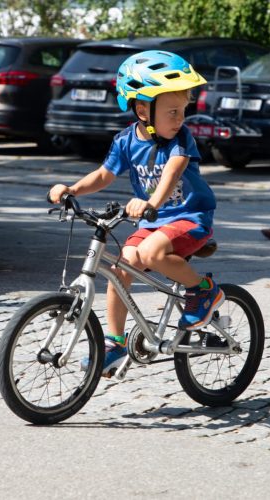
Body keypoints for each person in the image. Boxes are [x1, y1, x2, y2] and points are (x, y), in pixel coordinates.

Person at [48, 50, 224, 376]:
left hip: (190, 217)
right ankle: (114, 344)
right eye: (171, 111)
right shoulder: (126, 140)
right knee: (120, 268)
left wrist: (152, 203)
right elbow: (104, 175)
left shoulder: (181, 140)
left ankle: (203, 290)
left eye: (182, 110)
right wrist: (72, 189)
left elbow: (173, 171)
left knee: (150, 251)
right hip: (154, 220)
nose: (179, 119)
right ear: (142, 109)